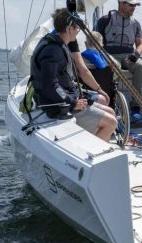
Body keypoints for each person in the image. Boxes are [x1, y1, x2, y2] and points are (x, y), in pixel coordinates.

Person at [30, 8, 117, 142]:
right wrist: (72, 103)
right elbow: (49, 85)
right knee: (111, 123)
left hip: (66, 99)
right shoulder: (52, 50)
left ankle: (89, 141)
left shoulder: (58, 44)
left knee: (111, 112)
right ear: (70, 28)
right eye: (77, 28)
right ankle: (91, 153)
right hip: (58, 106)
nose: (78, 31)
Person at [95, 0, 142, 113]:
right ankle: (109, 102)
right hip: (110, 55)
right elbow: (95, 39)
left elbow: (140, 44)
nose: (134, 8)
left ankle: (136, 107)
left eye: (135, 6)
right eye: (131, 5)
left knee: (141, 66)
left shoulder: (136, 24)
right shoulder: (105, 20)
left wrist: (135, 55)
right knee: (114, 67)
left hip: (128, 56)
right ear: (121, 4)